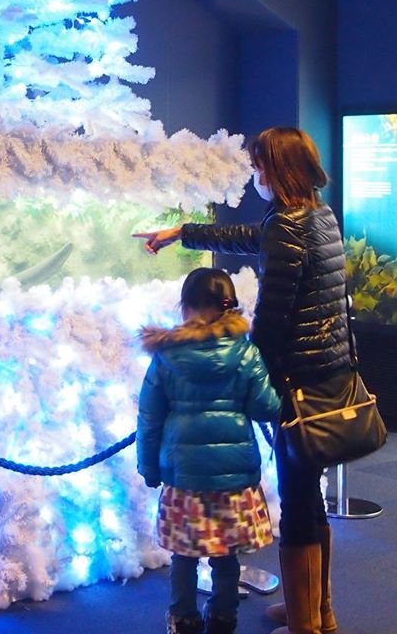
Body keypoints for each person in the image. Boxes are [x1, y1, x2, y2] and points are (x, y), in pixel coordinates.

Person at [135, 126, 351, 634]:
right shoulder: (316, 215)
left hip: (298, 382)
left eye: (259, 166)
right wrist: (182, 232)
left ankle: (305, 623)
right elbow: (250, 236)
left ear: (277, 168)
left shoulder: (288, 225)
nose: (256, 175)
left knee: (298, 502)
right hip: (329, 374)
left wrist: (242, 369)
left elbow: (273, 320)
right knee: (310, 498)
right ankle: (317, 609)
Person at [137, 266, 280, 634]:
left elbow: (149, 419)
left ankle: (183, 618)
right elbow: (266, 407)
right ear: (229, 306)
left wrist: (149, 468)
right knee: (225, 552)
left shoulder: (166, 356)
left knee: (183, 556)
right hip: (233, 475)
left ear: (185, 306)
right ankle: (223, 615)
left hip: (183, 476)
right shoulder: (245, 352)